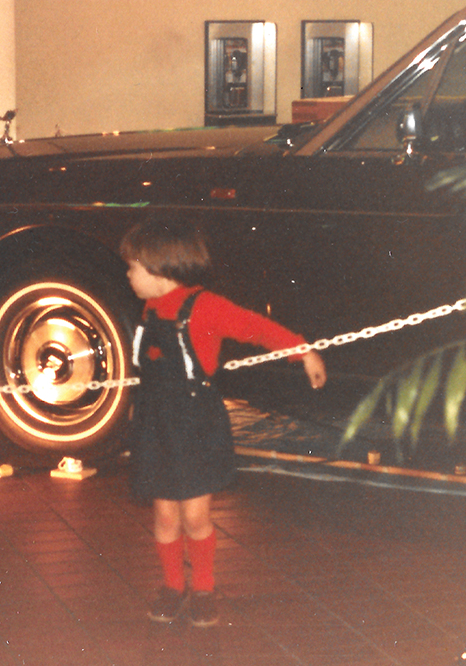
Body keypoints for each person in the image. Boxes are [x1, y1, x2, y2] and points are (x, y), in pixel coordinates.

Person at [120, 218, 326, 626]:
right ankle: (173, 585)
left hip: (194, 424)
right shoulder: (148, 308)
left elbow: (256, 327)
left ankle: (204, 587)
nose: (127, 275)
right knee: (164, 516)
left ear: (158, 269)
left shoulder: (205, 307)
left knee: (195, 516)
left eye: (132, 267)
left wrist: (304, 352)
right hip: (157, 424)